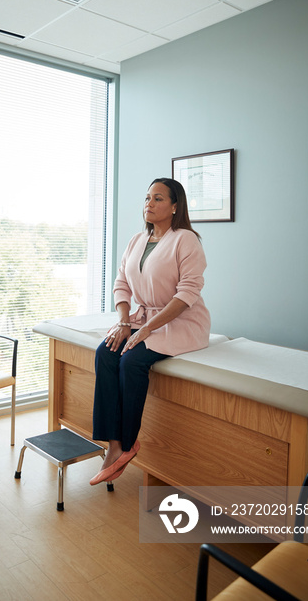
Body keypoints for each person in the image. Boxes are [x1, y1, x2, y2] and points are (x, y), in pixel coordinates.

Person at [90, 177, 210, 486]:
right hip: (141, 318)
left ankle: (128, 444)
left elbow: (187, 294)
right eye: (147, 198)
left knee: (131, 362)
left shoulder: (186, 240)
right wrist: (124, 322)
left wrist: (145, 331)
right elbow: (122, 285)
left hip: (181, 322)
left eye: (158, 199)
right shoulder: (136, 241)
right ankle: (113, 446)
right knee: (106, 352)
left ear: (174, 207)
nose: (149, 203)